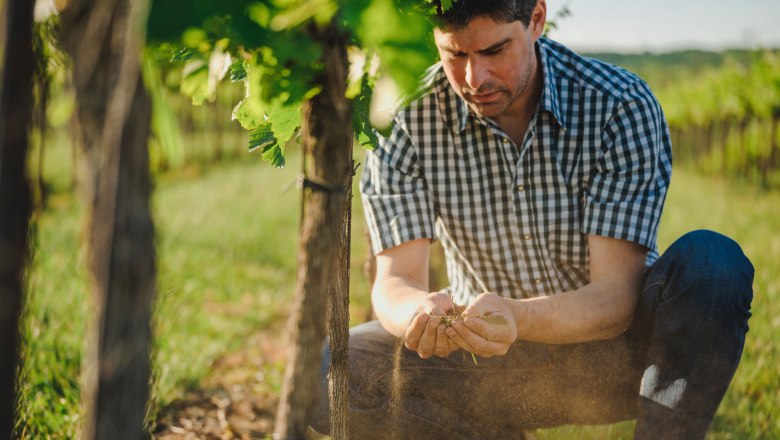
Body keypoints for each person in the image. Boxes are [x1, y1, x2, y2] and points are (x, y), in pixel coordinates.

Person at [311, 1, 754, 438]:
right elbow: (394, 281)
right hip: (484, 363)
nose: (473, 78)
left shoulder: (619, 105)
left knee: (713, 263)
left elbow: (617, 297)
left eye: (494, 51)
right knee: (328, 373)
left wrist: (518, 317)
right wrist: (417, 312)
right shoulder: (403, 121)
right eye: (455, 54)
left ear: (536, 19)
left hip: (617, 357)